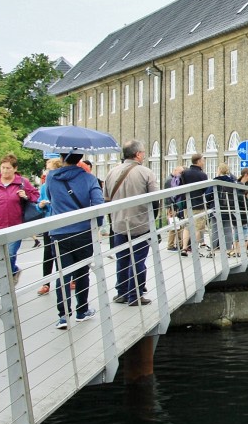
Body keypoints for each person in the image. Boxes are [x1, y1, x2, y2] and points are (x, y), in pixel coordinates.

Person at [47, 152, 104, 330]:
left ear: (62, 157)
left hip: (59, 232)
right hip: (83, 232)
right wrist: (98, 226)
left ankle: (63, 316)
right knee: (82, 272)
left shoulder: (51, 177)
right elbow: (98, 204)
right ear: (79, 159)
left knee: (62, 274)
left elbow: (50, 199)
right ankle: (81, 311)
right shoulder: (89, 178)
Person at [105, 140, 159, 306]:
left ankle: (121, 292)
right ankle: (134, 295)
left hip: (119, 224)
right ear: (137, 154)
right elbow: (155, 199)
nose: (143, 155)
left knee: (122, 259)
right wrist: (153, 219)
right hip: (140, 223)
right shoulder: (146, 173)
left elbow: (106, 199)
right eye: (143, 152)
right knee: (138, 261)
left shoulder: (111, 172)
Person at [0, 153, 40, 285]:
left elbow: (36, 196)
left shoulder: (22, 182)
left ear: (15, 169)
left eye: (8, 168)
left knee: (9, 254)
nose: (5, 170)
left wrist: (25, 195)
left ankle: (7, 286)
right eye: (3, 167)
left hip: (16, 226)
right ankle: (14, 271)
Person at [35, 157, 63, 295]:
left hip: (60, 223)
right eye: (47, 169)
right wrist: (40, 205)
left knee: (60, 253)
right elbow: (39, 203)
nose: (47, 172)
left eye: (50, 169)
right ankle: (46, 283)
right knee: (48, 253)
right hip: (48, 222)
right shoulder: (45, 186)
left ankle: (63, 280)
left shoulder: (62, 184)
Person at [179, 153, 211, 256]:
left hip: (186, 203)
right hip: (198, 204)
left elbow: (180, 187)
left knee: (187, 226)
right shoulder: (202, 175)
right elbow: (205, 190)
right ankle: (194, 248)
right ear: (199, 162)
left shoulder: (184, 173)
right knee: (198, 227)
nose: (204, 162)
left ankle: (184, 248)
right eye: (203, 160)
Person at [211, 163, 239, 256]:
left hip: (216, 207)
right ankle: (228, 250)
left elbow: (208, 193)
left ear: (219, 170)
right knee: (227, 229)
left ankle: (213, 251)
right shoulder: (232, 181)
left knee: (215, 229)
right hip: (228, 207)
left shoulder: (215, 181)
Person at [164, 166, 185, 250]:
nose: (181, 175)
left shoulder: (173, 179)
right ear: (175, 171)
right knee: (173, 226)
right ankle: (171, 245)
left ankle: (178, 244)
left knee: (177, 225)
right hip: (171, 206)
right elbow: (170, 195)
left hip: (173, 205)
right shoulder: (170, 180)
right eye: (180, 172)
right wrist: (171, 207)